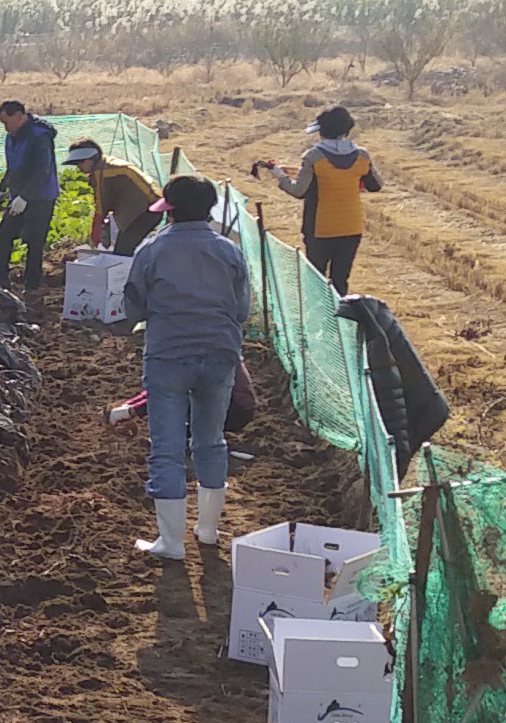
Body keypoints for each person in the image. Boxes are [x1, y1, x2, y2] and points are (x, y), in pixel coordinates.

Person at [122, 174, 252, 561]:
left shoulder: (153, 249)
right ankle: (208, 531)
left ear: (171, 211)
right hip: (220, 355)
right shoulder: (229, 251)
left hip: (168, 356)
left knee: (167, 446)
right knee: (211, 441)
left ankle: (171, 543)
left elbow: (134, 305)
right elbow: (242, 308)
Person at [253, 105, 382, 293]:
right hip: (351, 226)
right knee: (340, 280)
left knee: (315, 281)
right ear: (347, 130)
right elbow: (375, 184)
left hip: (320, 228)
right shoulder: (362, 156)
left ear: (321, 132)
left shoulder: (313, 156)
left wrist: (279, 175)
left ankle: (318, 321)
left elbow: (299, 191)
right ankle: (339, 320)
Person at [0, 101, 59, 301]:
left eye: (6, 122)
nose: (5, 127)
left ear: (19, 115)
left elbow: (42, 170)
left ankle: (32, 285)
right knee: (4, 234)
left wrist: (25, 197)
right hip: (18, 196)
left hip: (41, 197)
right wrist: (2, 188)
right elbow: (13, 166)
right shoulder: (12, 137)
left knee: (35, 241)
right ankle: (1, 277)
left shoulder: (39, 136)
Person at [66, 138, 161, 253]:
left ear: (89, 160)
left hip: (144, 212)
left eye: (79, 163)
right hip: (152, 208)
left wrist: (95, 234)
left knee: (123, 251)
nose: (78, 168)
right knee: (127, 247)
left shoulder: (101, 172)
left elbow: (101, 207)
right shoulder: (109, 164)